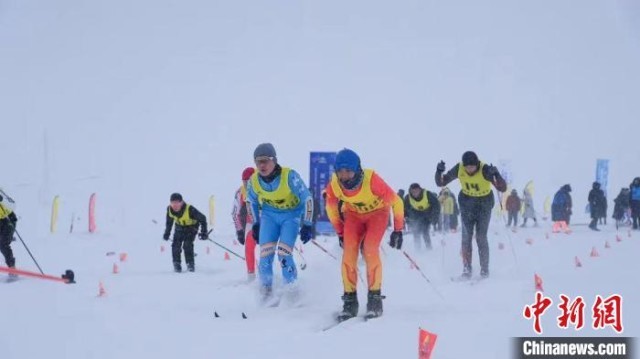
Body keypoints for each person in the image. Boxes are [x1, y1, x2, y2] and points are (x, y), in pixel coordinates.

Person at [325, 148, 404, 321]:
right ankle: (350, 301)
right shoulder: (335, 184)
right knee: (349, 253)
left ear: (358, 170)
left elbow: (396, 202)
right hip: (353, 216)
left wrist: (398, 230)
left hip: (377, 214)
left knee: (369, 249)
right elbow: (331, 208)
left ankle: (374, 299)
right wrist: (340, 232)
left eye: (349, 171)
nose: (344, 176)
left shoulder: (372, 180)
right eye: (340, 172)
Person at [246, 143, 314, 303]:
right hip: (269, 216)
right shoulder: (254, 180)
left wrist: (307, 224)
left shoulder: (289, 176)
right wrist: (256, 224)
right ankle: (266, 291)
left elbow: (308, 198)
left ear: (274, 160)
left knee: (283, 253)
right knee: (265, 255)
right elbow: (251, 202)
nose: (262, 165)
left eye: (265, 161)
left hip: (291, 216)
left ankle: (292, 290)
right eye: (258, 162)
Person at [435, 151, 506, 279]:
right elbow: (441, 182)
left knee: (481, 236)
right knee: (466, 237)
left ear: (477, 164)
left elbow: (502, 188)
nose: (469, 170)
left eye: (472, 167)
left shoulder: (484, 170)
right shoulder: (459, 168)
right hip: (467, 203)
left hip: (483, 204)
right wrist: (439, 171)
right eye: (467, 167)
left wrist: (496, 174)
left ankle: (484, 269)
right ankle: (467, 268)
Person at [163, 193, 208, 272]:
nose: (175, 205)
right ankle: (177, 265)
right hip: (179, 228)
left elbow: (203, 218)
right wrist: (167, 233)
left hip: (191, 228)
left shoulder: (190, 209)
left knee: (187, 245)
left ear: (182, 202)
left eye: (177, 203)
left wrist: (204, 232)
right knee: (175, 245)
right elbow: (169, 222)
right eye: (173, 203)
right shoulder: (169, 210)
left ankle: (190, 265)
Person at [232, 167, 258, 280]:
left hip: (267, 222)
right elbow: (234, 213)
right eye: (245, 182)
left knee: (269, 248)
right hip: (251, 223)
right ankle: (251, 275)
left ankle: (270, 272)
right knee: (249, 247)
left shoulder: (266, 187)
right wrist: (239, 231)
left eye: (250, 181)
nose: (248, 184)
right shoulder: (240, 192)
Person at [403, 183, 440, 250]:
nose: (415, 193)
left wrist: (435, 217)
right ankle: (418, 249)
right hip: (416, 215)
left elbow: (436, 204)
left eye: (417, 191)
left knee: (425, 231)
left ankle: (429, 248)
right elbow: (404, 208)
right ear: (410, 191)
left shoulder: (428, 194)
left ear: (420, 190)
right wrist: (406, 217)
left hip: (427, 214)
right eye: (413, 191)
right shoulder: (407, 198)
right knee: (416, 232)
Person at [0, 195, 18, 277]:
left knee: (3, 244)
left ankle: (12, 268)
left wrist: (2, 199)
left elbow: (13, 205)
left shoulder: (1, 192)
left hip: (8, 220)